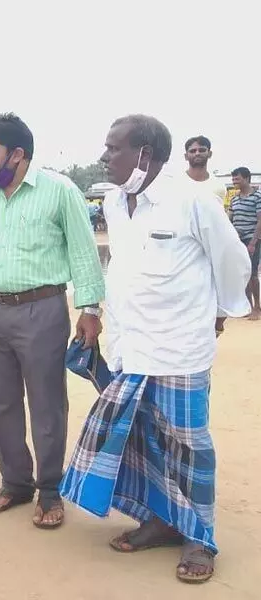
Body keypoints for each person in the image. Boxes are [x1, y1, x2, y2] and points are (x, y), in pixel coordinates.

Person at [61, 114, 251, 584]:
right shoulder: (113, 200)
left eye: (114, 147)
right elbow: (122, 267)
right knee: (144, 439)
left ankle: (200, 537)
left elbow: (232, 260)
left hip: (180, 346)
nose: (106, 155)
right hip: (132, 347)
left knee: (188, 445)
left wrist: (221, 311)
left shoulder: (193, 200)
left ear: (144, 154)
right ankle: (164, 521)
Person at [0, 113, 105, 529]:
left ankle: (49, 490)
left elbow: (84, 250)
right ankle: (15, 483)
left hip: (41, 311)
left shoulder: (59, 190)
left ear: (18, 154)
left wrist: (91, 309)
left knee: (46, 403)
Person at [229, 167, 261, 320]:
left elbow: (260, 220)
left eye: (237, 179)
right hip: (237, 241)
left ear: (247, 178)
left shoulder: (257, 196)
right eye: (233, 179)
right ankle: (247, 305)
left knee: (253, 273)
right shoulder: (234, 199)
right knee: (243, 274)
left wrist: (253, 242)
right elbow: (230, 219)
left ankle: (257, 307)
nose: (234, 181)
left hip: (252, 239)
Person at [183, 136, 228, 207]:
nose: (197, 153)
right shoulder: (176, 182)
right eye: (192, 151)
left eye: (202, 150)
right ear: (186, 156)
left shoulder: (218, 186)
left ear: (210, 154)